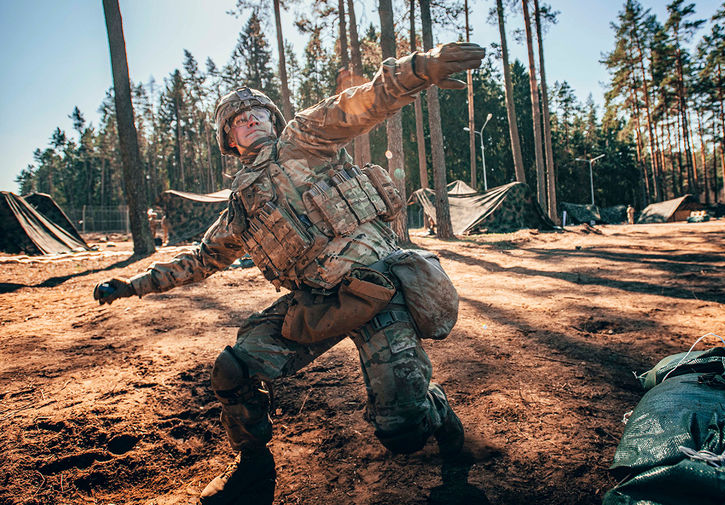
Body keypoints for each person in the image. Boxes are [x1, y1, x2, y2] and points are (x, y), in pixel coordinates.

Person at [93, 41, 484, 505]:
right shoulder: (240, 208)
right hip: (318, 306)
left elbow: (360, 103)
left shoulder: (306, 140)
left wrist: (420, 68)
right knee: (231, 370)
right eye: (238, 120)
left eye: (257, 112)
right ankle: (253, 471)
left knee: (402, 432)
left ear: (273, 119)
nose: (250, 120)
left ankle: (436, 411)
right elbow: (199, 261)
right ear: (230, 142)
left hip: (379, 290)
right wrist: (131, 285)